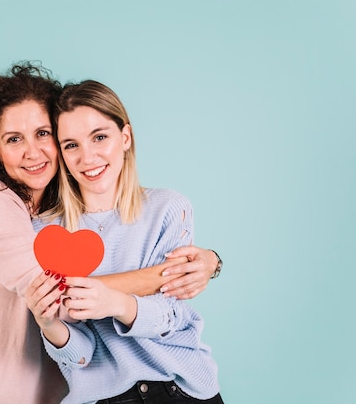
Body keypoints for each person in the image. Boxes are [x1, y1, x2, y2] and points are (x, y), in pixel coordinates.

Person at [0, 62, 222, 404]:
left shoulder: (59, 209)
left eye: (43, 134)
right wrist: (179, 272)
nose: (33, 152)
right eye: (14, 139)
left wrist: (208, 261)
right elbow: (59, 298)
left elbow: (167, 315)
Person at [26, 80, 224, 403]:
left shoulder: (169, 209)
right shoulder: (44, 234)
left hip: (181, 389)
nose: (88, 157)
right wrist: (48, 324)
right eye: (71, 145)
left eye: (100, 137)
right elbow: (79, 356)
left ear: (126, 138)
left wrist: (113, 303)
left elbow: (171, 315)